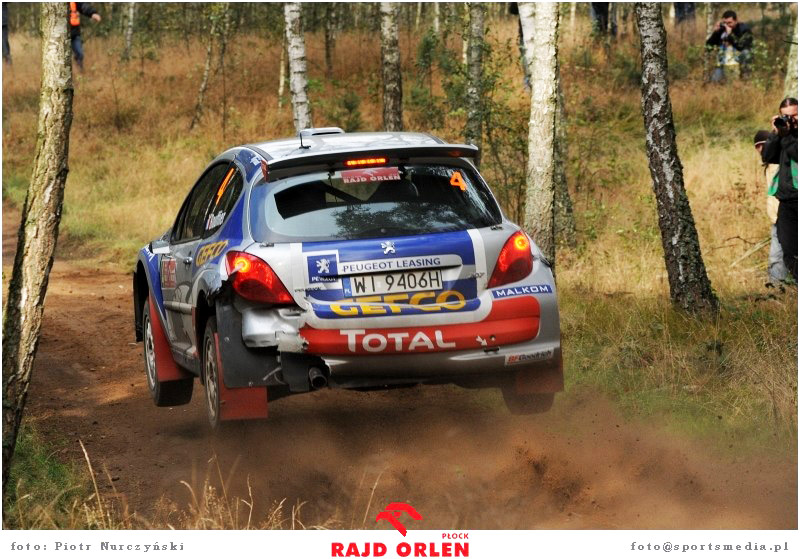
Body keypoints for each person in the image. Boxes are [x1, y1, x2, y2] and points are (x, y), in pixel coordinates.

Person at [761, 97, 798, 281]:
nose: (791, 120)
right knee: (789, 251)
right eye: (786, 116)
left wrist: (788, 137)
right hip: (786, 200)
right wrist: (776, 134)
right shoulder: (783, 135)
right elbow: (767, 156)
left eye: (795, 115)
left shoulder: (791, 138)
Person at [754, 130, 788, 284]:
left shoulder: (782, 163)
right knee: (776, 256)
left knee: (780, 254)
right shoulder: (767, 166)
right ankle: (777, 287)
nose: (761, 149)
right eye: (757, 146)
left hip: (788, 215)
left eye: (764, 144)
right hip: (776, 218)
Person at [705, 10, 753, 82]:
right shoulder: (722, 30)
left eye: (730, 23)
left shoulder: (744, 30)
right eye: (725, 23)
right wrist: (716, 33)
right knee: (714, 83)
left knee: (746, 53)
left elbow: (741, 46)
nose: (727, 25)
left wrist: (730, 35)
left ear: (736, 21)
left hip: (738, 62)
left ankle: (745, 78)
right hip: (723, 62)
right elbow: (708, 47)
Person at [68, 2, 101, 71]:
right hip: (62, 35)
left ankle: (80, 70)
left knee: (80, 54)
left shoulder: (74, 3)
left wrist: (93, 13)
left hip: (75, 34)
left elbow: (83, 6)